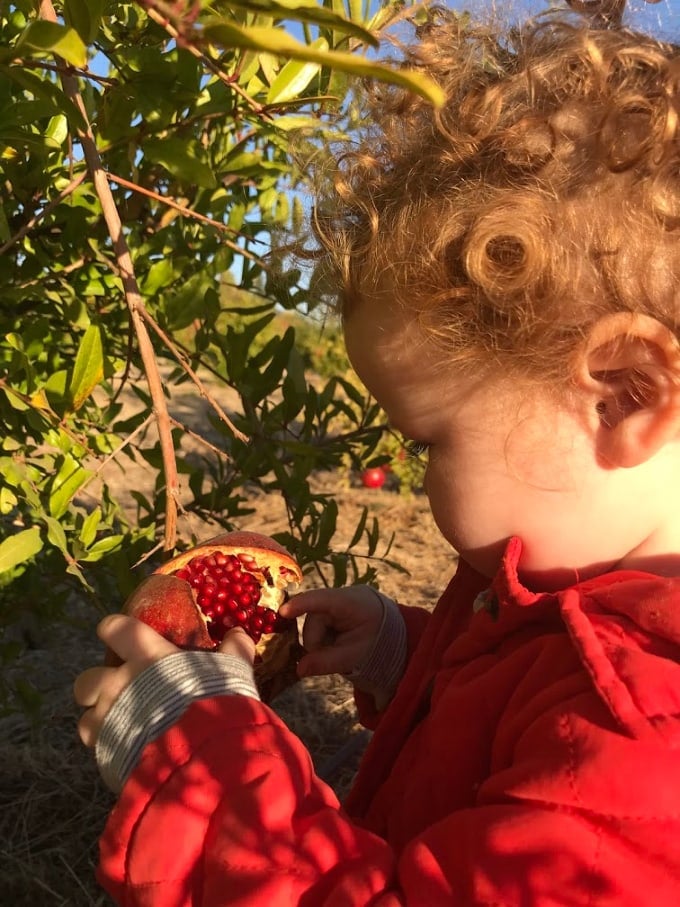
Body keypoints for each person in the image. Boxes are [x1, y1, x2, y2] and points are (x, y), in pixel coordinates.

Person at [74, 4, 680, 904]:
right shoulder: (570, 610)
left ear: (622, 394)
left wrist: (207, 777)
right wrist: (407, 656)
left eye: (430, 440)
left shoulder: (638, 746)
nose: (418, 474)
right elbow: (514, 707)